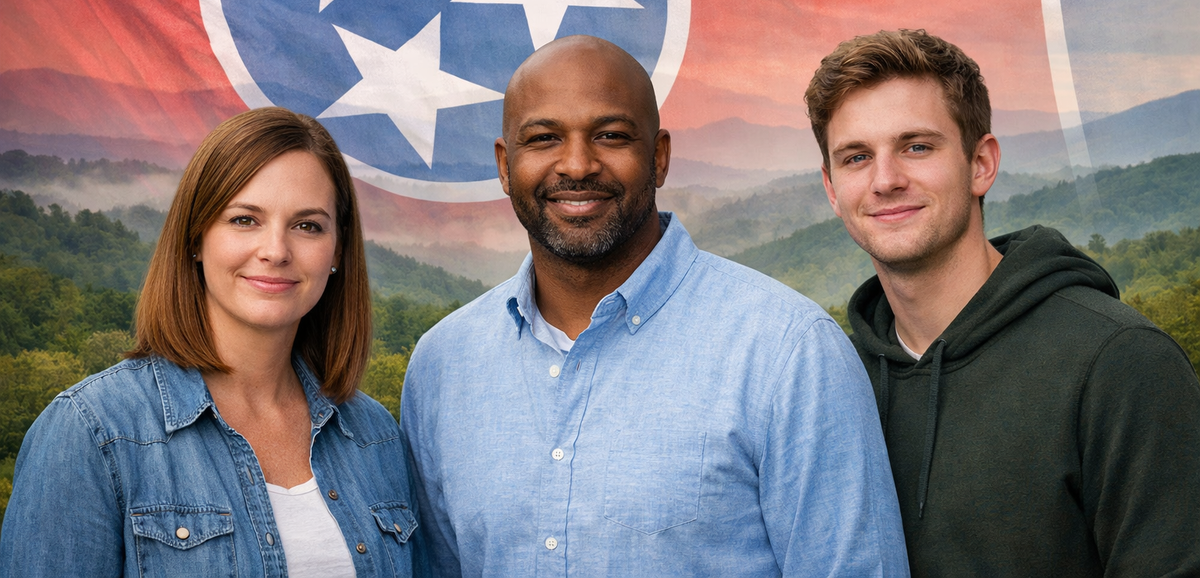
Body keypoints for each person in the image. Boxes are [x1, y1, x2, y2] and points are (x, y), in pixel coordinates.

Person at [401, 35, 908, 578]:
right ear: (505, 165)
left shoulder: (789, 352)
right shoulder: (441, 367)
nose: (576, 164)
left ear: (659, 157)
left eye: (611, 135)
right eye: (544, 138)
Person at [805, 29, 1200, 577]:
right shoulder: (828, 381)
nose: (885, 180)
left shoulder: (1119, 365)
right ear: (831, 188)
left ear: (981, 164)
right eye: (855, 157)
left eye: (917, 146)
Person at [0, 107, 417, 577]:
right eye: (244, 220)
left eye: (307, 226)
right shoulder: (91, 433)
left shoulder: (374, 435)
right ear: (196, 237)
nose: (276, 250)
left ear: (338, 250)